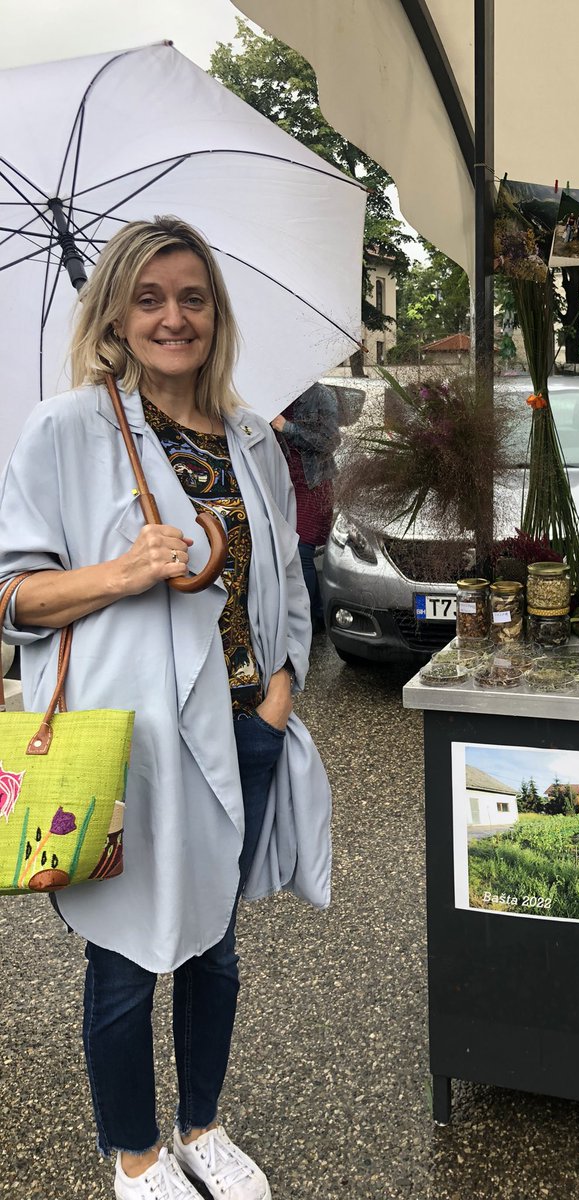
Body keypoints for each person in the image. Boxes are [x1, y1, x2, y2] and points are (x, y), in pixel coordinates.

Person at [0, 216, 331, 1200]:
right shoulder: (66, 432)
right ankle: (134, 1152)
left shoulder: (251, 439)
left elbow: (291, 580)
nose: (172, 317)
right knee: (127, 954)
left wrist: (279, 694)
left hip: (244, 727)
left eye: (192, 297)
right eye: (148, 298)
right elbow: (14, 596)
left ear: (215, 315)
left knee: (214, 951)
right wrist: (115, 572)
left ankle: (201, 1127)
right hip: (133, 741)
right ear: (115, 314)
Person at [271, 383, 341, 631]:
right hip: (279, 484)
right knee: (285, 553)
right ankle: (319, 614)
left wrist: (285, 427)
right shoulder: (270, 395)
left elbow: (331, 440)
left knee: (301, 553)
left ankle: (306, 624)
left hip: (311, 485)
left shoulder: (320, 395)